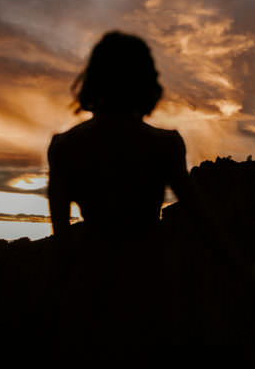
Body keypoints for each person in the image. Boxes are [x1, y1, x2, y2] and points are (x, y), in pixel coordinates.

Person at [46, 31, 196, 355]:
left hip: (87, 293)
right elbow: (203, 222)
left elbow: (61, 246)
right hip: (149, 291)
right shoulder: (165, 145)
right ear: (144, 81)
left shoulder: (65, 147)